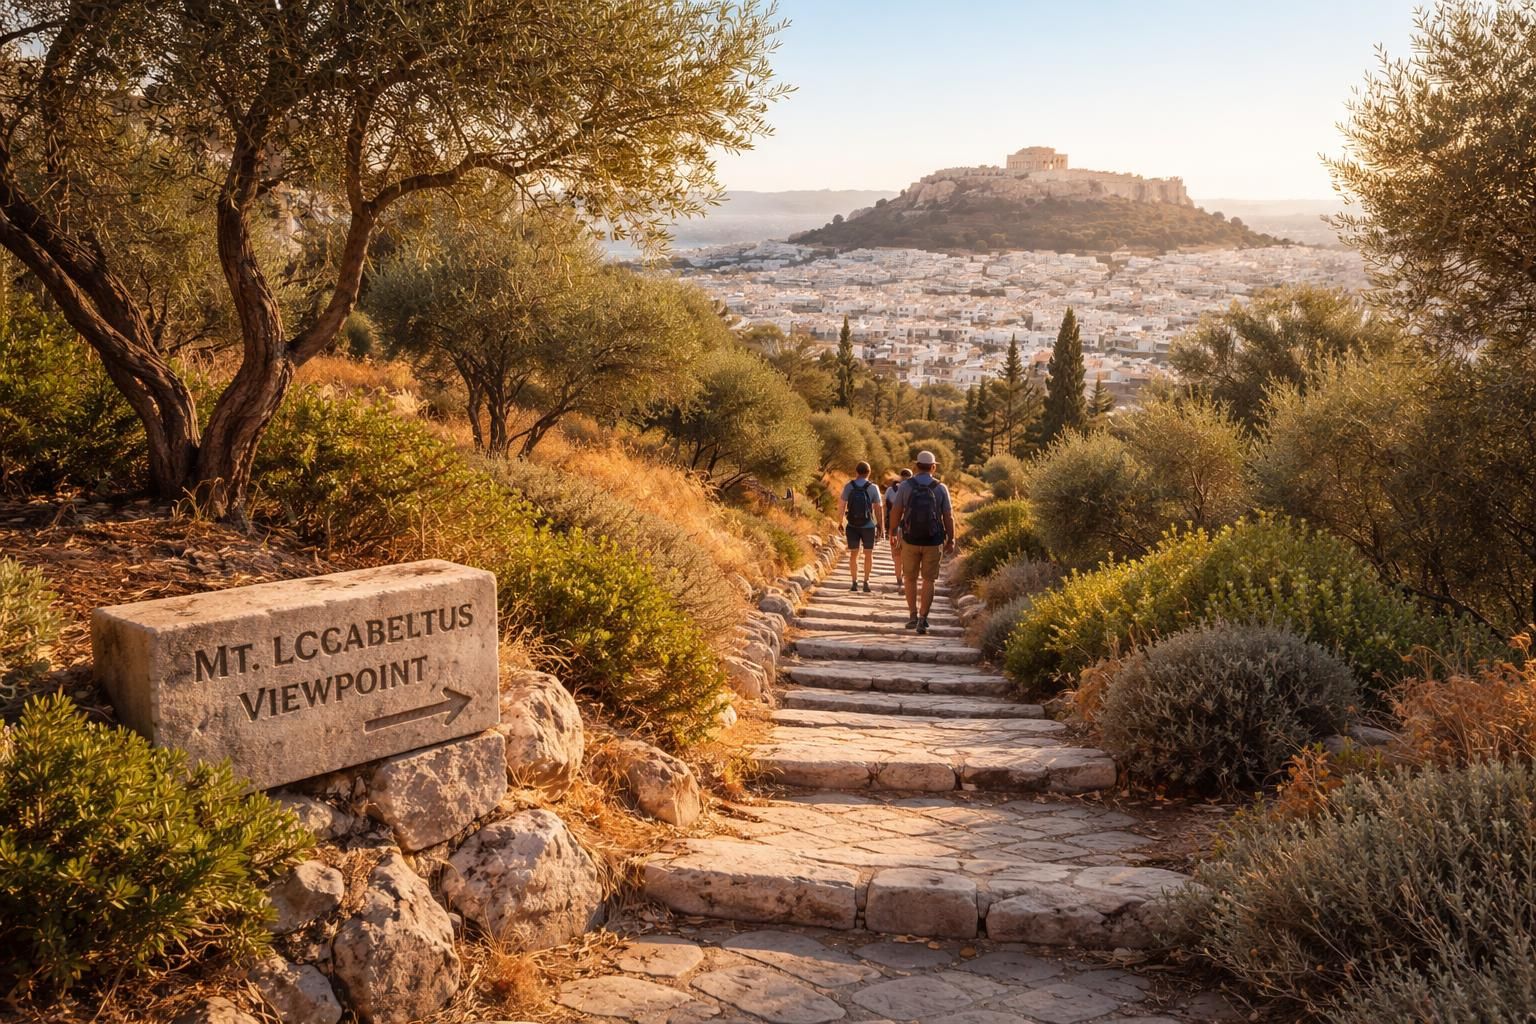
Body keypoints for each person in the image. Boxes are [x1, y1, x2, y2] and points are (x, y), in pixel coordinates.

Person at [885, 451, 955, 634]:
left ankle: (912, 616)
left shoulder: (906, 486)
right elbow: (948, 516)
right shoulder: (941, 488)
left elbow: (896, 511)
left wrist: (892, 532)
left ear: (916, 466)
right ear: (933, 467)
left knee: (909, 578)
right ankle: (923, 619)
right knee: (928, 580)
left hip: (910, 539)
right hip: (933, 541)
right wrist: (951, 539)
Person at [839, 461, 882, 593]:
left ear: (856, 472)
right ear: (869, 473)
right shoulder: (873, 487)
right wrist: (880, 526)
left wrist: (840, 522)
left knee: (854, 554)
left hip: (851, 525)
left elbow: (841, 505)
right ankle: (866, 581)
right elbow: (878, 508)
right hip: (868, 525)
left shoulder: (848, 486)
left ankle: (854, 581)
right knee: (868, 554)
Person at [884, 467, 913, 590]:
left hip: (894, 526)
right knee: (908, 555)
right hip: (909, 528)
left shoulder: (891, 490)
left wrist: (885, 525)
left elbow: (886, 508)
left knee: (896, 555)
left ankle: (898, 579)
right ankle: (906, 579)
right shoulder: (913, 489)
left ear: (899, 477)